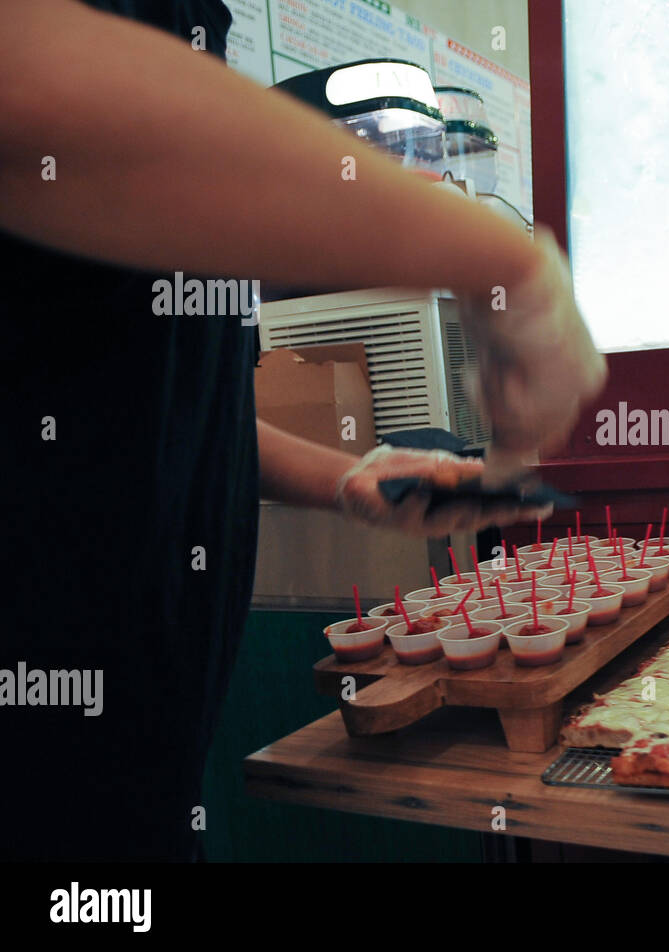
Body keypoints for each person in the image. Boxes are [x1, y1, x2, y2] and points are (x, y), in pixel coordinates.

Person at [0, 0, 606, 860]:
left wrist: (346, 478)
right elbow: (27, 88)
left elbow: (173, 404)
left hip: (135, 769)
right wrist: (497, 258)